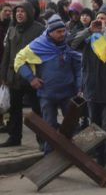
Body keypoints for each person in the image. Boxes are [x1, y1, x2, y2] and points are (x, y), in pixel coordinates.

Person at [71, 4, 106, 174]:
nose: (100, 21)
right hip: (92, 89)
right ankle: (99, 162)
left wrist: (105, 32)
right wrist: (89, 30)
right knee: (94, 128)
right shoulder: (89, 37)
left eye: (104, 19)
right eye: (99, 18)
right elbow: (72, 43)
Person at [14, 14, 81, 154]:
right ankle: (49, 156)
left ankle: (74, 154)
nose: (63, 34)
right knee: (48, 127)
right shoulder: (37, 45)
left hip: (68, 93)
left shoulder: (68, 45)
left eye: (64, 31)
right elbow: (18, 61)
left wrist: (79, 87)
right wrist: (31, 78)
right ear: (50, 32)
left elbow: (78, 67)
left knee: (72, 126)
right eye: (59, 32)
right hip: (47, 94)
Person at [0, 2, 45, 147]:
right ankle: (14, 137)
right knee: (15, 109)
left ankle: (42, 138)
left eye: (22, 11)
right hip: (14, 76)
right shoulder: (12, 29)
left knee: (37, 109)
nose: (19, 14)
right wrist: (3, 75)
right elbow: (7, 54)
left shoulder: (39, 30)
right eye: (17, 11)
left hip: (32, 76)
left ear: (29, 13)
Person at [0, 3, 11, 131]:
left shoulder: (9, 25)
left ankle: (2, 121)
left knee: (2, 94)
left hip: (4, 63)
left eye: (9, 11)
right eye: (5, 10)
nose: (8, 13)